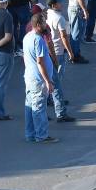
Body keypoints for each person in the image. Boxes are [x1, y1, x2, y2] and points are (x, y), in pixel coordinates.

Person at [22, 13, 58, 143]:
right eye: (43, 23)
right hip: (38, 80)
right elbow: (40, 62)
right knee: (39, 108)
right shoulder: (38, 40)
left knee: (30, 106)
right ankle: (42, 135)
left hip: (29, 77)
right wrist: (48, 81)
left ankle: (30, 134)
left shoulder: (27, 37)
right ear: (38, 25)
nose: (45, 25)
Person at [44, 0, 77, 123]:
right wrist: (70, 52)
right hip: (58, 52)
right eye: (59, 3)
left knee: (50, 79)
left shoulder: (47, 15)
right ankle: (61, 112)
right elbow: (64, 36)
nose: (62, 4)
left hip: (49, 52)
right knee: (56, 81)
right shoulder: (59, 18)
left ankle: (49, 99)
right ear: (53, 5)